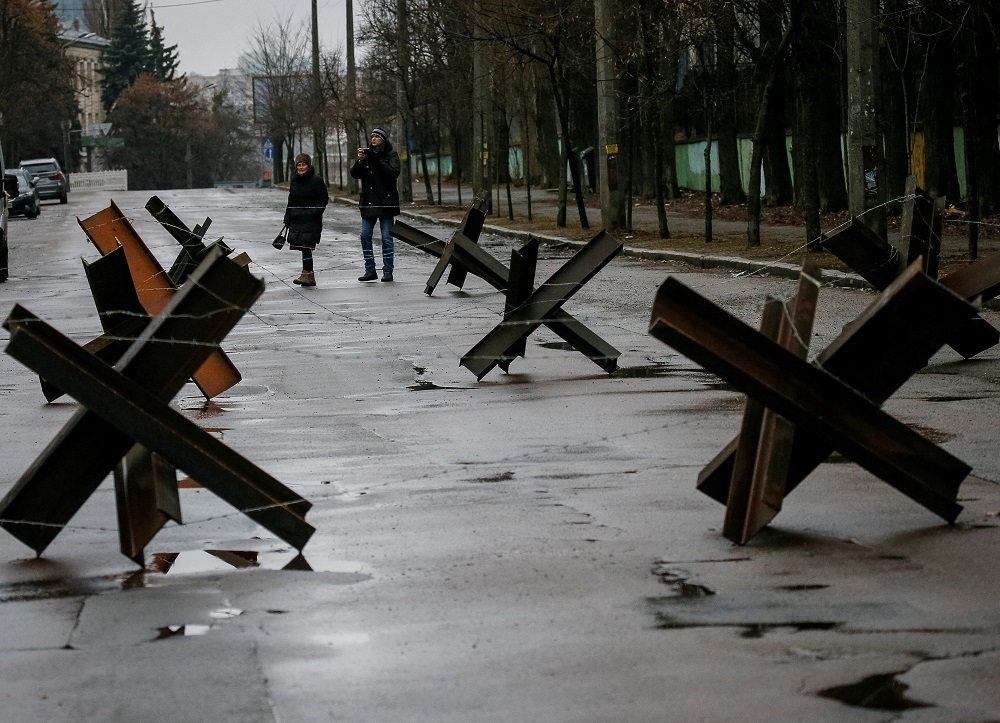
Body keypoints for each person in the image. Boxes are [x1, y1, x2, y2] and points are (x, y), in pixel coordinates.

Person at [350, 127, 401, 282]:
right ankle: (370, 269)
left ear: (383, 139)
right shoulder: (367, 156)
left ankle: (388, 271)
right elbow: (355, 174)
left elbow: (393, 173)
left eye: (377, 136)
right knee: (365, 235)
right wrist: (360, 161)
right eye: (372, 136)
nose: (373, 139)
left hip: (386, 202)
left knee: (386, 238)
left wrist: (376, 160)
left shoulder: (391, 155)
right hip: (369, 202)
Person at [283, 152, 329, 287]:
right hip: (297, 218)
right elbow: (291, 199)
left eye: (303, 165)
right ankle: (307, 274)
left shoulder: (316, 180)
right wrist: (287, 216)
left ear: (308, 166)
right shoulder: (295, 180)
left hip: (311, 219)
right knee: (302, 247)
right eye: (299, 165)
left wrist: (314, 212)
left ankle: (308, 274)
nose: (301, 167)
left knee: (306, 246)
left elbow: (323, 199)